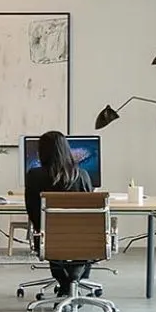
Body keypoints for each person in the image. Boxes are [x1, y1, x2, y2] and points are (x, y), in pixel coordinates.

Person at [24, 129, 97, 300]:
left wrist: (41, 227)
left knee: (52, 236)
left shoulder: (34, 176)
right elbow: (91, 217)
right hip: (84, 241)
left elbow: (32, 212)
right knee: (81, 239)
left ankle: (66, 284)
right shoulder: (83, 176)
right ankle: (74, 281)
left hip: (49, 239)